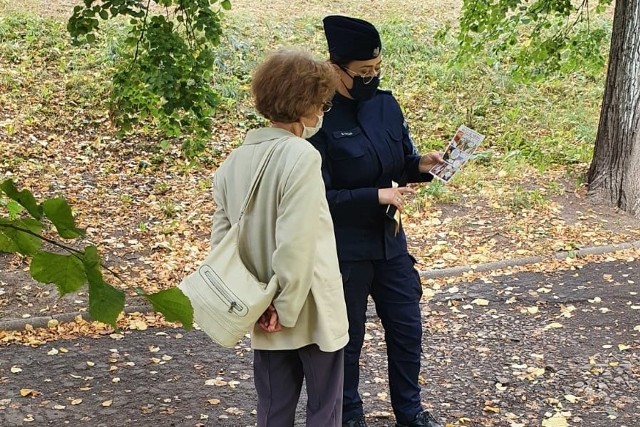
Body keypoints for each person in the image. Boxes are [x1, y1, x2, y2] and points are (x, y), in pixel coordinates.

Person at [308, 16, 445, 427]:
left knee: (407, 330)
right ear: (335, 68)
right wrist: (375, 195)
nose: (371, 78)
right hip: (345, 251)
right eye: (363, 72)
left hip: (390, 243)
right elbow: (317, 198)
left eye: (377, 70)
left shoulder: (386, 104)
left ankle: (410, 412)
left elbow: (401, 162)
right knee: (346, 342)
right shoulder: (317, 119)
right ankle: (349, 415)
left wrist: (423, 165)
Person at [211, 48, 349, 427]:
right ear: (305, 104)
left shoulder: (232, 163)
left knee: (272, 410)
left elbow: (222, 244)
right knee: (325, 410)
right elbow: (297, 242)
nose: (322, 112)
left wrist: (256, 306)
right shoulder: (301, 155)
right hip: (308, 306)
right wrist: (285, 308)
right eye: (321, 104)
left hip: (260, 307)